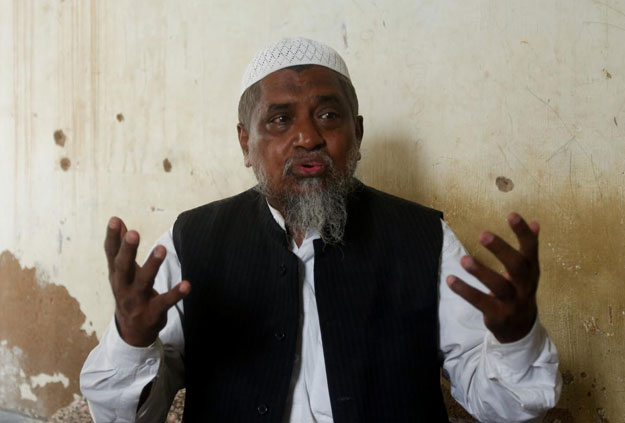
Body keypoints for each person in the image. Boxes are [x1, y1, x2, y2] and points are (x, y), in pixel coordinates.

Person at [80, 37, 561, 422]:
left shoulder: (424, 238)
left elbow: (503, 407)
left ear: (358, 133)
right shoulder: (191, 242)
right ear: (246, 143)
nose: (308, 137)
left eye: (328, 115)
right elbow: (125, 417)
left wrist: (515, 338)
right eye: (280, 119)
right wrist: (131, 339)